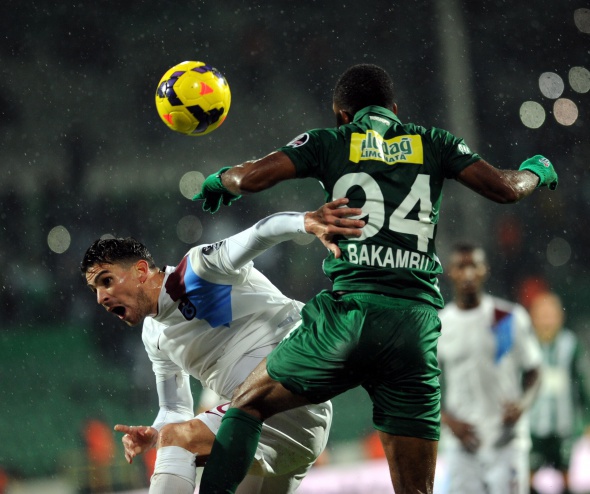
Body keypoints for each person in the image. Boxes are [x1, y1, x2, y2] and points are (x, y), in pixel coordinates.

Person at [194, 63, 559, 494]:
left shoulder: (330, 140)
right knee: (415, 489)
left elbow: (251, 177)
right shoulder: (434, 141)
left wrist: (220, 180)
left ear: (342, 114)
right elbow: (506, 188)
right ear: (395, 110)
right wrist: (537, 171)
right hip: (413, 330)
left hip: (351, 316)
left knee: (246, 405)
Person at [80, 198, 364, 494]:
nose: (101, 298)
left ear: (141, 271)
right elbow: (175, 407)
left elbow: (260, 233)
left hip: (287, 397)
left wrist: (305, 221)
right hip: (265, 427)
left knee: (177, 439)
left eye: (106, 281)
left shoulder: (198, 270)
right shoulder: (153, 334)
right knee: (173, 437)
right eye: (95, 290)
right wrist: (156, 432)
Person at [437, 242, 542, 494]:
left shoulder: (506, 317)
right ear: (450, 272)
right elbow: (421, 383)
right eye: (461, 267)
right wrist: (447, 420)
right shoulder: (439, 325)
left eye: (474, 266)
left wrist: (523, 404)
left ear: (485, 270)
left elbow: (534, 370)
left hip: (506, 441)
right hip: (463, 443)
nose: (468, 274)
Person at [528, 291, 590, 494]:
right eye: (542, 315)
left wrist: (587, 418)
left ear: (560, 317)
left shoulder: (570, 345)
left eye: (550, 315)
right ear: (533, 318)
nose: (546, 321)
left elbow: (581, 383)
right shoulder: (526, 345)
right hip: (533, 427)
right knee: (527, 478)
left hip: (564, 427)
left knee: (566, 478)